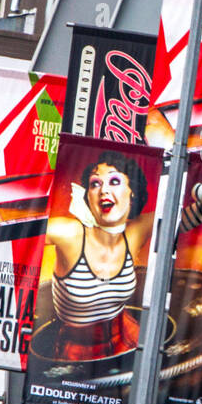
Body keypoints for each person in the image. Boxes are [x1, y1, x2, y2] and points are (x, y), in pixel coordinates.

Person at [43, 151, 153, 361]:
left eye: (114, 181)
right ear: (87, 197)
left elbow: (184, 218)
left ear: (132, 194)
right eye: (95, 183)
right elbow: (17, 228)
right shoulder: (71, 234)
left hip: (128, 336)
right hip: (78, 351)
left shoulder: (134, 232)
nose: (103, 190)